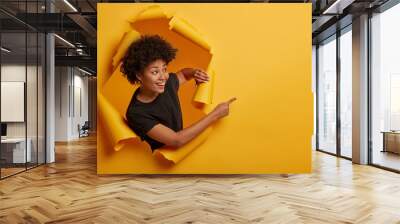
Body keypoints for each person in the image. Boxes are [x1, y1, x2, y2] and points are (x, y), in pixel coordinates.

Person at [121, 35, 236, 151]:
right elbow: (176, 140)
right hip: (160, 163)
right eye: (155, 72)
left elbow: (183, 75)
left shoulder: (167, 83)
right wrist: (215, 114)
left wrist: (194, 72)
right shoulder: (136, 113)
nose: (163, 77)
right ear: (139, 75)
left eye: (164, 69)